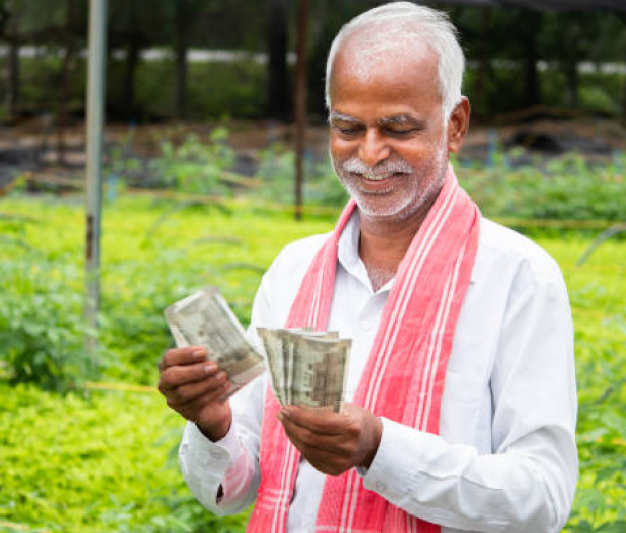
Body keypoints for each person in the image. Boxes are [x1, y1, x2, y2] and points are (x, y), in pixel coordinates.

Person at [157, 2, 577, 532]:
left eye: (398, 128)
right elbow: (234, 490)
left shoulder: (516, 277)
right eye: (348, 127)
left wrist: (380, 448)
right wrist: (213, 426)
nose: (371, 153)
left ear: (455, 125)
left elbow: (542, 497)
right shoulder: (294, 270)